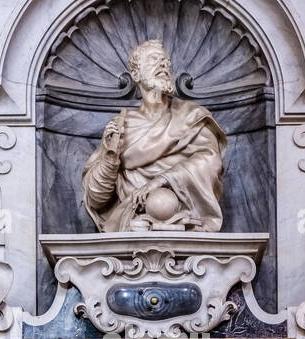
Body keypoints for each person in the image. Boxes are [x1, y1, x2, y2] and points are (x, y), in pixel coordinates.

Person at [83, 40, 226, 233]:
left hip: (186, 218)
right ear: (135, 75)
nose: (162, 65)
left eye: (165, 61)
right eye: (153, 60)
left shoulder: (191, 116)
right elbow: (95, 198)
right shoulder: (121, 127)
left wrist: (162, 179)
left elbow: (210, 162)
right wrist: (110, 161)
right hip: (133, 222)